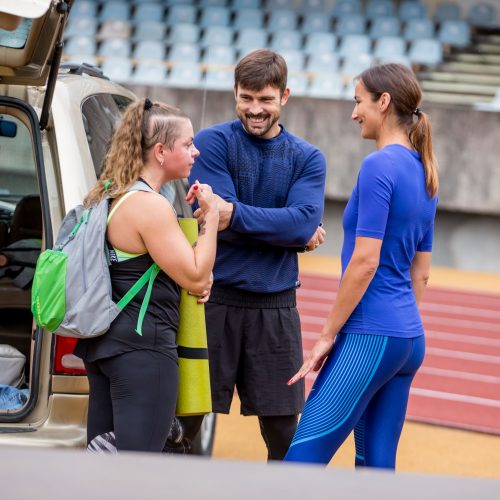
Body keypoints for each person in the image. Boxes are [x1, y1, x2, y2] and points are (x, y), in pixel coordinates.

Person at [172, 49, 327, 460]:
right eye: (246, 98)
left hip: (276, 309)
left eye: (265, 100)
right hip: (211, 302)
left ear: (285, 96)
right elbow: (290, 226)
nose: (255, 109)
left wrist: (234, 214)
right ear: (235, 94)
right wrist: (290, 234)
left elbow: (299, 222)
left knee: (282, 436)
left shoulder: (308, 158)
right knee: (183, 426)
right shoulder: (211, 143)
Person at [284, 63, 439, 468]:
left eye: (359, 101)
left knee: (301, 463)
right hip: (407, 339)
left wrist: (325, 337)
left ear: (383, 102)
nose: (354, 113)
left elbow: (364, 262)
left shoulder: (378, 167)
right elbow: (420, 273)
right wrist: (397, 326)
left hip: (371, 334)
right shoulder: (425, 174)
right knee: (375, 467)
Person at [74, 98, 219, 453]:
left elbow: (165, 268)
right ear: (160, 151)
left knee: (104, 465)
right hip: (143, 352)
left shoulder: (115, 195)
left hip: (107, 347)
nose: (195, 152)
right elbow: (197, 278)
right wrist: (212, 218)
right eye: (187, 144)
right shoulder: (150, 206)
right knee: (138, 472)